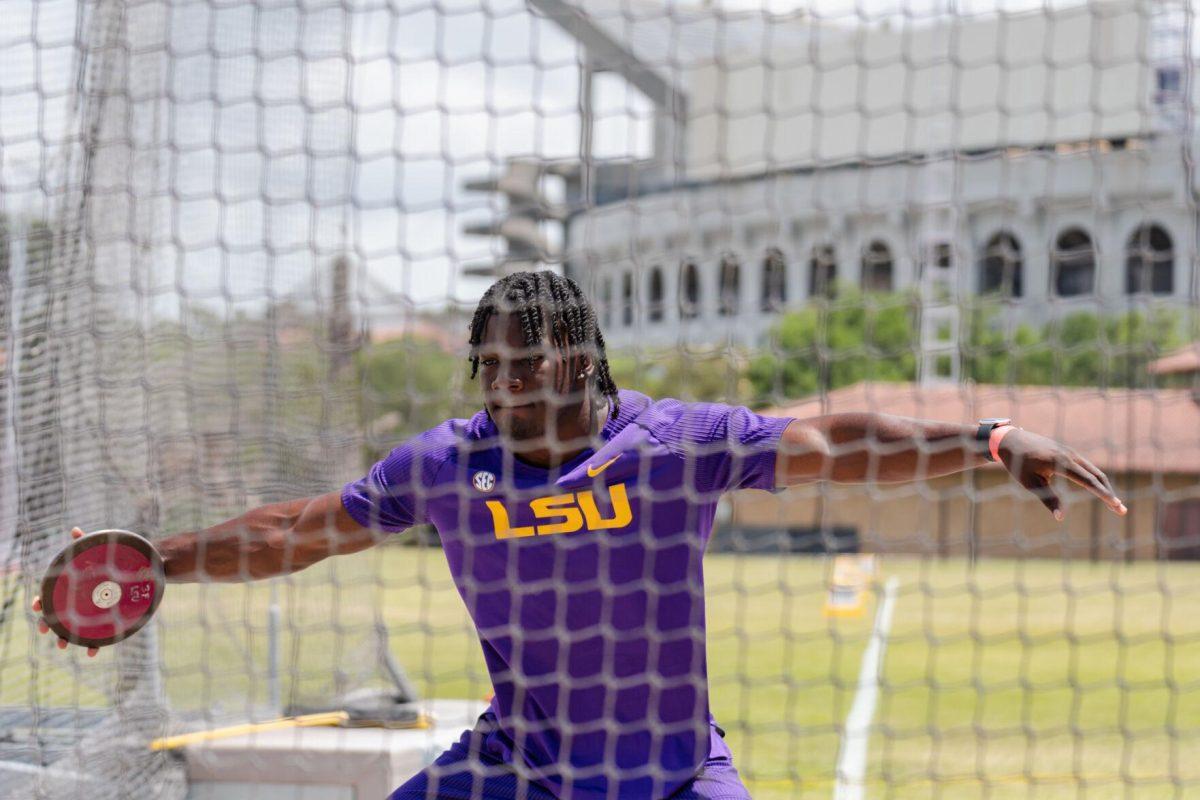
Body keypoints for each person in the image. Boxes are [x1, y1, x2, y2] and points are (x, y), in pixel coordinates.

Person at [34, 270, 1126, 799]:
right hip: (523, 765)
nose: (509, 385)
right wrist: (158, 558)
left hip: (670, 772)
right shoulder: (448, 465)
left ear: (584, 359)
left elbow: (841, 441)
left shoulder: (677, 442)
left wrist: (986, 436)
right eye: (493, 366)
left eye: (532, 363)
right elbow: (301, 530)